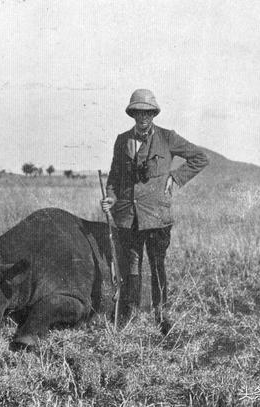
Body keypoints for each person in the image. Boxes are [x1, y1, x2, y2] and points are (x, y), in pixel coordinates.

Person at [101, 89, 209, 334]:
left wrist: (176, 177)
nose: (144, 117)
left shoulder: (167, 137)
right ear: (133, 114)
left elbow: (200, 158)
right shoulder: (122, 140)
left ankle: (161, 313)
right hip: (128, 216)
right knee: (131, 265)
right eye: (139, 112)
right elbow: (115, 175)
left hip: (158, 217)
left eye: (148, 112)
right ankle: (129, 311)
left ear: (154, 114)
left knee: (157, 263)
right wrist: (110, 196)